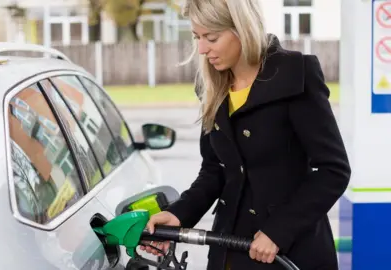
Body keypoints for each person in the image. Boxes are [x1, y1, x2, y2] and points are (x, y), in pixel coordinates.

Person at [140, 0, 351, 269]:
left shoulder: (296, 75)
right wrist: (178, 213)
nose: (202, 49)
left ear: (241, 29)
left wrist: (279, 230)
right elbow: (215, 170)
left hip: (291, 253)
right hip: (229, 249)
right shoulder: (212, 85)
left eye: (211, 38)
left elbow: (333, 170)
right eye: (197, 37)